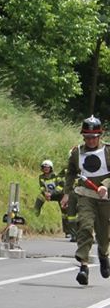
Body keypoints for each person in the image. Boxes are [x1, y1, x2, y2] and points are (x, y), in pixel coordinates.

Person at [62, 116, 110, 285]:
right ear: (83, 136)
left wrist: (105, 185)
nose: (90, 140)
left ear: (100, 136)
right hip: (85, 196)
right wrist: (67, 193)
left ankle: (103, 255)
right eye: (87, 137)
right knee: (85, 226)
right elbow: (71, 173)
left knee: (104, 235)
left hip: (105, 199)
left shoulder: (108, 151)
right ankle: (83, 266)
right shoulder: (77, 153)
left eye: (94, 137)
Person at [33, 159, 71, 237]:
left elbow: (61, 186)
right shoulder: (41, 177)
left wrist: (51, 193)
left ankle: (68, 232)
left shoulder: (56, 176)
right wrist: (45, 193)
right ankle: (34, 217)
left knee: (65, 212)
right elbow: (42, 187)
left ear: (51, 168)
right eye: (44, 167)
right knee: (40, 197)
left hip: (60, 195)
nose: (46, 169)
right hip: (48, 194)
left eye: (47, 167)